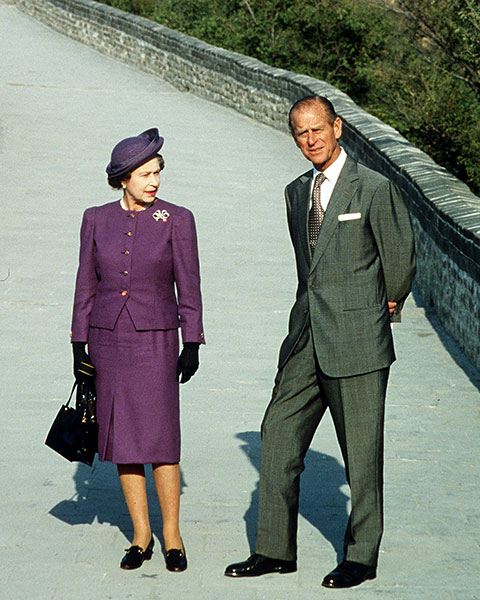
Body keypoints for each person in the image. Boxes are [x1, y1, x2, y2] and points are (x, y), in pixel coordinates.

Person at [225, 96, 415, 588]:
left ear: (338, 127)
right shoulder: (295, 192)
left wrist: (379, 311)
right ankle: (273, 550)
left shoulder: (373, 188)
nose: (310, 140)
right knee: (277, 435)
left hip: (357, 341)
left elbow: (399, 262)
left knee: (362, 453)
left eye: (318, 130)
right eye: (300, 134)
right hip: (306, 337)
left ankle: (361, 556)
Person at [70, 128, 205, 572]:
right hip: (108, 341)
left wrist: (193, 341)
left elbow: (189, 284)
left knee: (163, 440)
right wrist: (78, 342)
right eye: (145, 174)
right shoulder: (95, 218)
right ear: (123, 178)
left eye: (157, 173)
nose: (154, 182)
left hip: (158, 341)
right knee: (124, 440)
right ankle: (141, 535)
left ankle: (172, 535)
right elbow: (85, 284)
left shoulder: (178, 219)